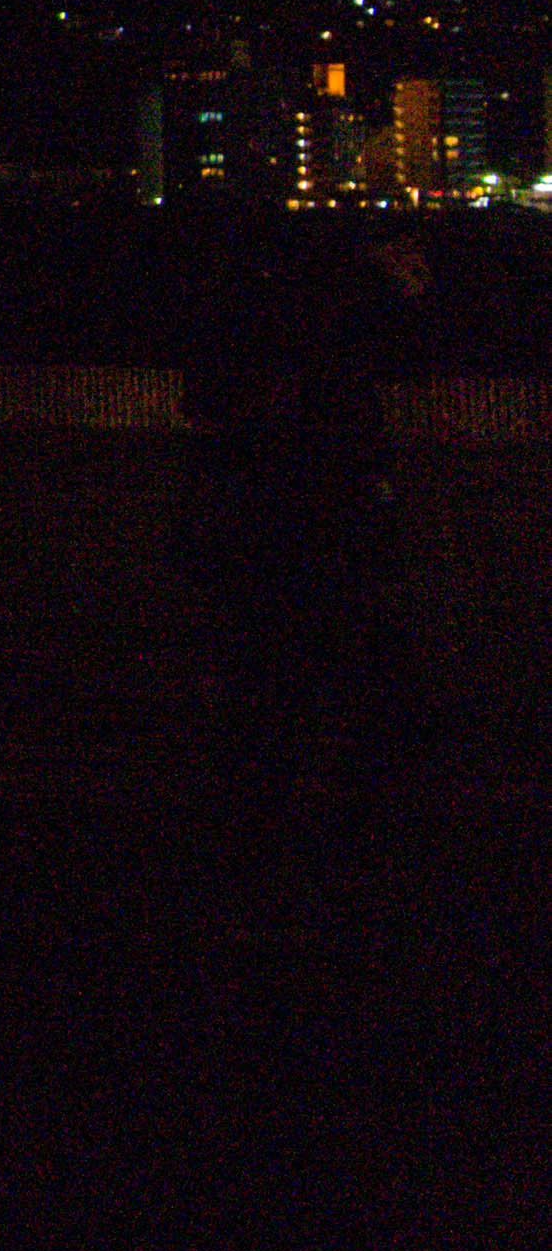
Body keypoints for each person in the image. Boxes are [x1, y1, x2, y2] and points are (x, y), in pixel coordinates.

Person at [181, 227, 428, 836]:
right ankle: (343, 812)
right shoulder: (332, 362)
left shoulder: (250, 339)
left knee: (270, 686)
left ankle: (262, 815)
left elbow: (205, 411)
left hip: (271, 529)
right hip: (320, 524)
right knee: (341, 671)